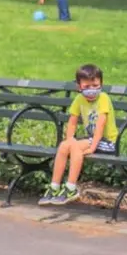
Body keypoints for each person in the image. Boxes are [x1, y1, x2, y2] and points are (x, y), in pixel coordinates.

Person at [38, 63, 117, 205]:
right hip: (91, 139)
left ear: (101, 84)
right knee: (64, 145)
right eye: (87, 86)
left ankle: (71, 188)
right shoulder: (79, 99)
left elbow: (101, 124)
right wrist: (69, 140)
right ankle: (54, 187)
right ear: (79, 87)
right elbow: (72, 122)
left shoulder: (103, 98)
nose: (91, 90)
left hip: (108, 142)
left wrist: (92, 147)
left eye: (95, 85)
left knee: (75, 147)